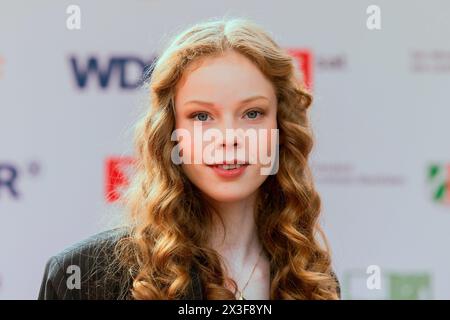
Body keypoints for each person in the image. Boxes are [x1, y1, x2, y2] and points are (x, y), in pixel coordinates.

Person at [38, 17, 341, 300]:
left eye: (252, 113)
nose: (228, 137)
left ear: (280, 128)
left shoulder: (312, 279)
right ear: (171, 132)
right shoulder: (81, 279)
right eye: (201, 116)